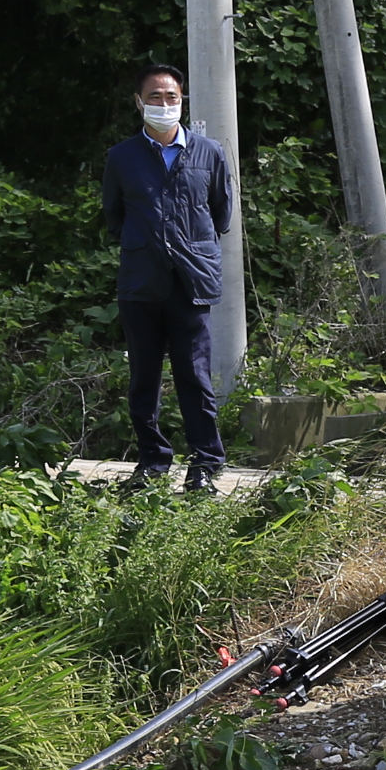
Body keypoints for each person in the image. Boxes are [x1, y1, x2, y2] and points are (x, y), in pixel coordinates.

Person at [100, 61, 236, 491]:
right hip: (140, 283)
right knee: (143, 377)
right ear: (139, 103)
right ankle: (153, 463)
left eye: (171, 97)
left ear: (183, 101)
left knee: (194, 377)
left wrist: (186, 247)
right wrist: (149, 245)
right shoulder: (121, 157)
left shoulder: (209, 152)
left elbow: (222, 214)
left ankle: (205, 466)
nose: (164, 104)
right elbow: (114, 217)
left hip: (192, 281)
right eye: (155, 97)